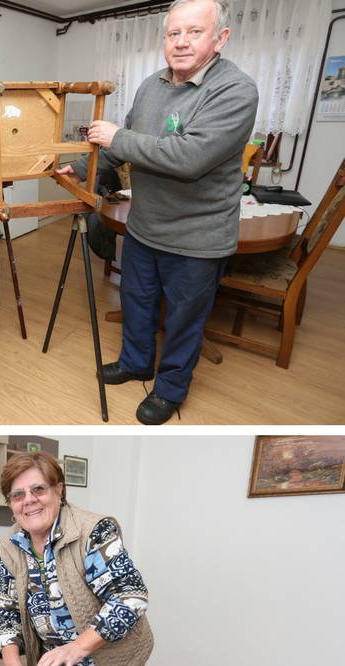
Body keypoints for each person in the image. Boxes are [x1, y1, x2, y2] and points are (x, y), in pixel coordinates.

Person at [59, 0, 258, 425]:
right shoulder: (151, 85)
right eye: (173, 33)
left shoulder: (236, 91)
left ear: (220, 38)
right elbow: (117, 153)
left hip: (197, 238)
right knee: (138, 302)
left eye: (194, 32)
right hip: (145, 227)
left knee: (185, 320)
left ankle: (169, 390)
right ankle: (136, 363)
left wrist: (115, 136)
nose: (181, 42)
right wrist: (77, 169)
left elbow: (188, 158)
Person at [0, 452, 154, 666]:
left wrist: (78, 647)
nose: (29, 500)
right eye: (18, 495)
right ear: (10, 503)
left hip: (109, 655)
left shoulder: (93, 531)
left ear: (59, 491)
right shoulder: (9, 547)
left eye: (38, 489)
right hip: (56, 656)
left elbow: (130, 596)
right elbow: (5, 614)